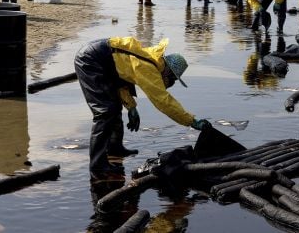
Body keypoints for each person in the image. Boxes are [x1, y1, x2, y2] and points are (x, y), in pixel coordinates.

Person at [74, 36, 211, 179]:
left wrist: (131, 107)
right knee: (104, 113)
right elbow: (163, 101)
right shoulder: (149, 68)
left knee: (114, 107)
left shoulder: (149, 60)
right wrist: (191, 121)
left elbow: (121, 77)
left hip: (102, 60)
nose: (172, 82)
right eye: (173, 79)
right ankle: (97, 166)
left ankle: (115, 149)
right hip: (91, 60)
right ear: (168, 71)